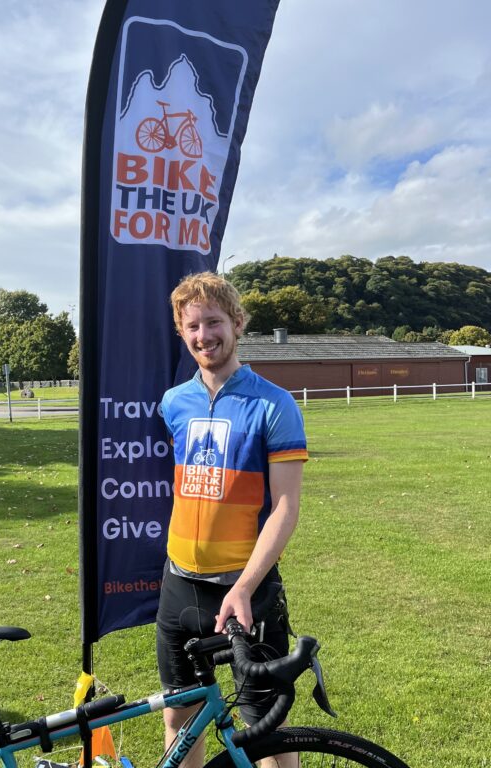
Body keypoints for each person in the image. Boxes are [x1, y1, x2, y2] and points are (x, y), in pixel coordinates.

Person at [157, 272, 308, 768]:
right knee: (181, 718)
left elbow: (285, 507)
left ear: (238, 323)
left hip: (247, 590)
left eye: (214, 321)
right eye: (193, 325)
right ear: (182, 331)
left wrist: (244, 586)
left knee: (264, 726)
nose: (204, 335)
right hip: (179, 585)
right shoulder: (174, 402)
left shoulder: (274, 404)